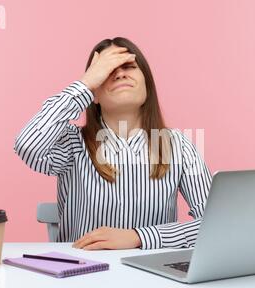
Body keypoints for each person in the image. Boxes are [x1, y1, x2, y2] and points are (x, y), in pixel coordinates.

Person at [14, 37, 212, 250]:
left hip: (153, 278)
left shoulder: (178, 146)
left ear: (147, 85)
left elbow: (215, 224)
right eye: (107, 71)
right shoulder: (71, 143)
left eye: (128, 66)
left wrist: (140, 237)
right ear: (94, 95)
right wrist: (86, 83)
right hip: (83, 275)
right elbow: (28, 144)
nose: (119, 73)